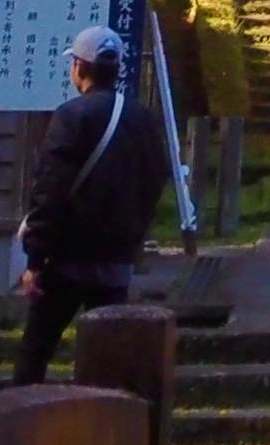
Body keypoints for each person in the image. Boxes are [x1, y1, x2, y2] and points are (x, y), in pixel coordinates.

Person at [13, 24, 167, 386]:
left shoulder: (72, 116)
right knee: (109, 357)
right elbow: (156, 180)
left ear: (79, 67)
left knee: (35, 351)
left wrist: (35, 259)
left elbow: (49, 188)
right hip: (117, 259)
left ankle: (25, 430)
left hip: (67, 258)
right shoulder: (142, 119)